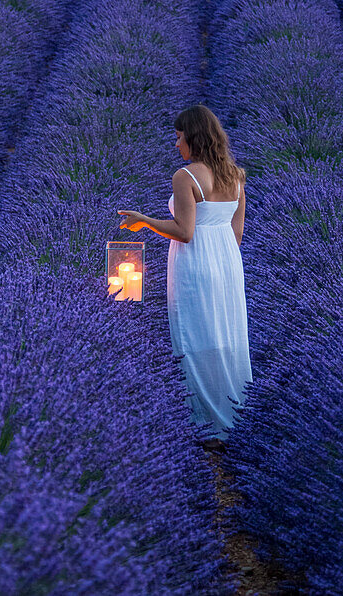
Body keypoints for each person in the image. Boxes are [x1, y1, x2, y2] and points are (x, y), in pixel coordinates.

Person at [117, 104, 252, 452]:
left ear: (193, 137)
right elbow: (235, 234)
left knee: (194, 338)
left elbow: (185, 231)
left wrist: (143, 220)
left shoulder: (186, 176)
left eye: (178, 138)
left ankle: (208, 425)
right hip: (227, 264)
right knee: (226, 334)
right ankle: (238, 416)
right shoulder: (236, 176)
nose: (176, 145)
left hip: (195, 264)